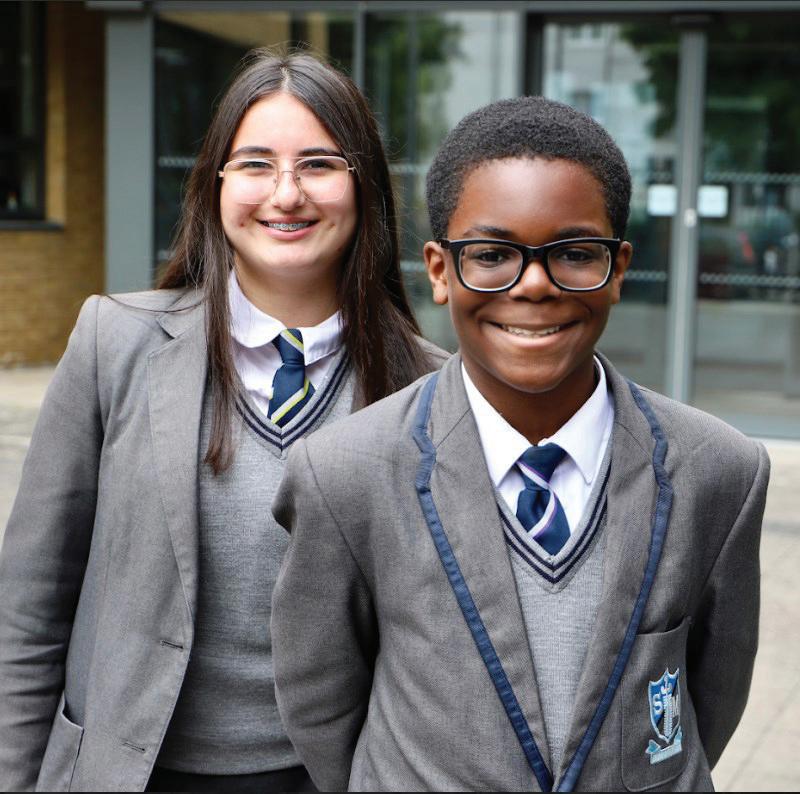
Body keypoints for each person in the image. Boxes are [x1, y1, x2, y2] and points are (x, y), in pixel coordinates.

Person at [270, 96, 770, 792]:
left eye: (575, 253)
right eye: (492, 254)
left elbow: (710, 697)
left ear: (619, 268)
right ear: (440, 271)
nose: (533, 285)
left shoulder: (719, 471)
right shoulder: (345, 474)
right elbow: (320, 704)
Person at [0, 49, 445, 792]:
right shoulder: (115, 343)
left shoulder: (429, 389)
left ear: (364, 185)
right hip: (128, 773)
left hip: (327, 778)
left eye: (319, 164)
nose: (286, 194)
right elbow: (28, 607)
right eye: (255, 164)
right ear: (216, 183)